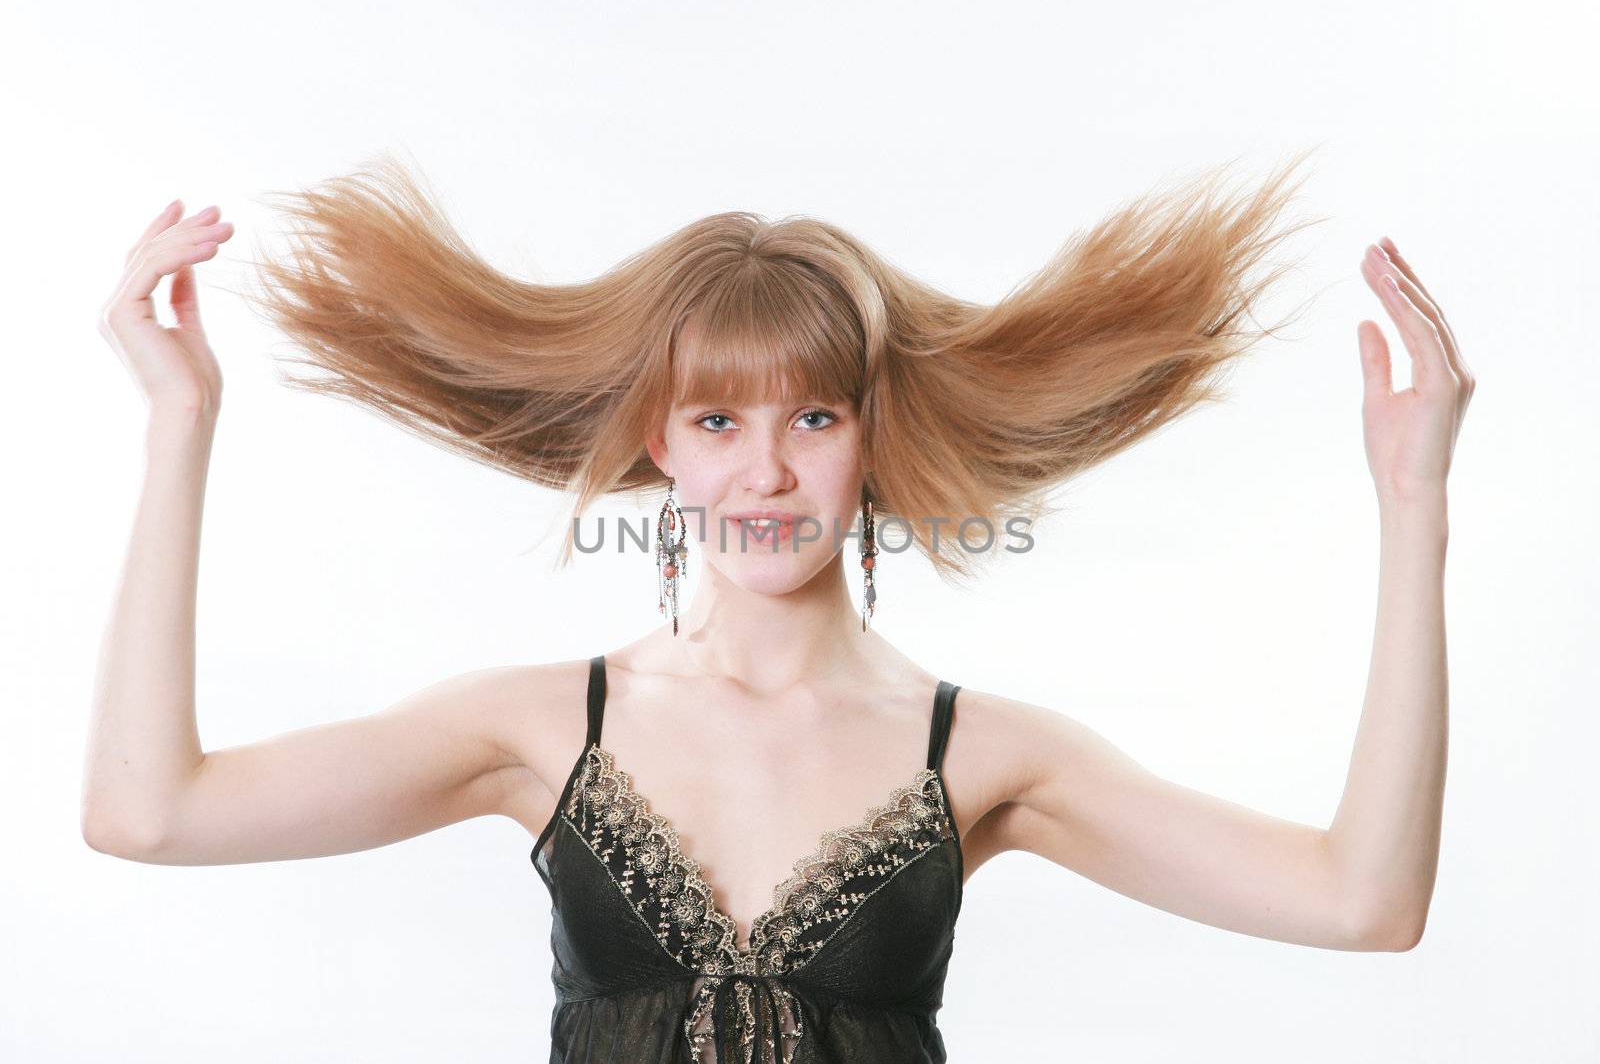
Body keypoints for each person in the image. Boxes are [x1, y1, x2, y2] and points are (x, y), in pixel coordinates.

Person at [82, 150, 1470, 1063]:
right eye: (717, 416)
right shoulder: (543, 728)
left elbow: (1363, 901)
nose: (765, 468)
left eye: (814, 414)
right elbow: (149, 814)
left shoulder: (982, 758)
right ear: (659, 444)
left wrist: (1416, 510)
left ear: (874, 437)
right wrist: (179, 426)